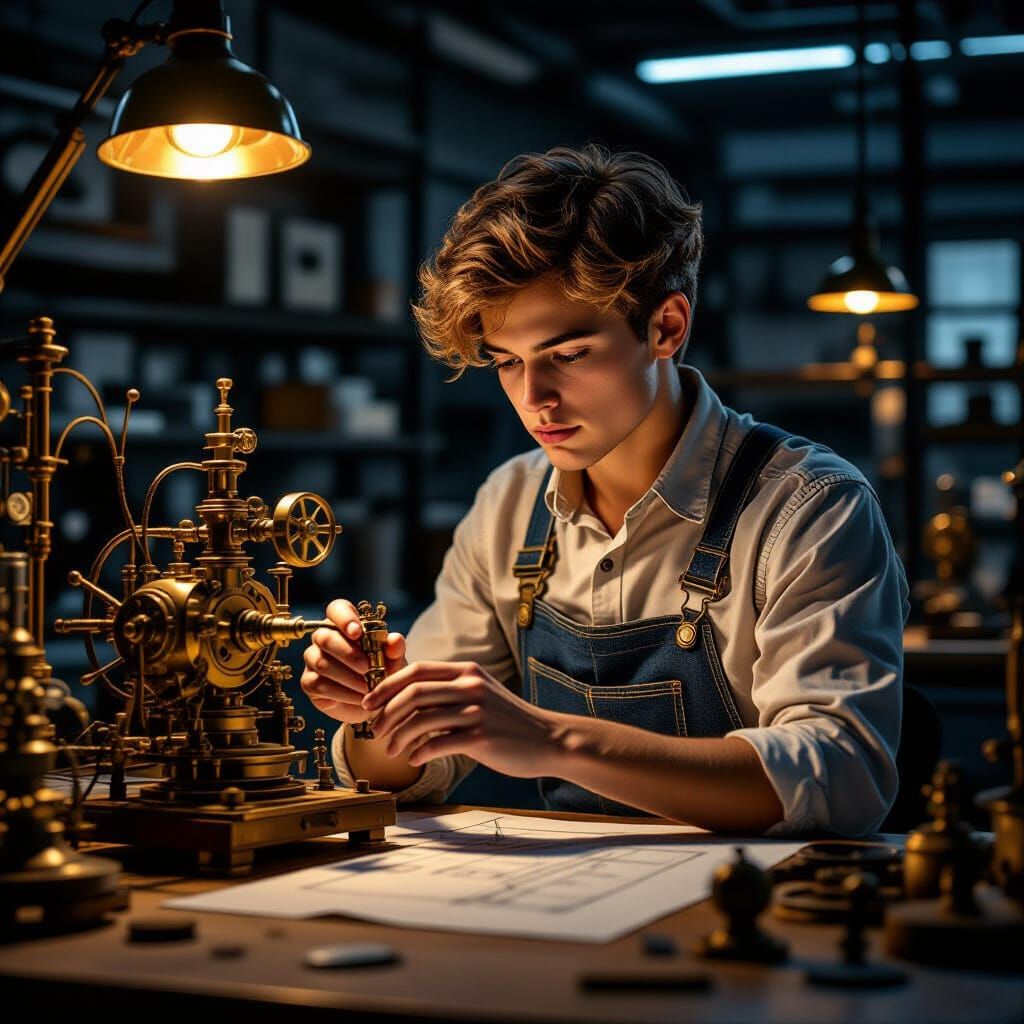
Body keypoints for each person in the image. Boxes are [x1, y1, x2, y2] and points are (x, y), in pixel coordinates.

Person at [300, 143, 909, 836]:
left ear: (665, 328)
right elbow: (412, 769)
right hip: (579, 911)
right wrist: (377, 709)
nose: (535, 400)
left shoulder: (809, 508)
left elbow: (842, 777)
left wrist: (553, 741)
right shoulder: (510, 505)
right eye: (507, 363)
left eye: (569, 355)